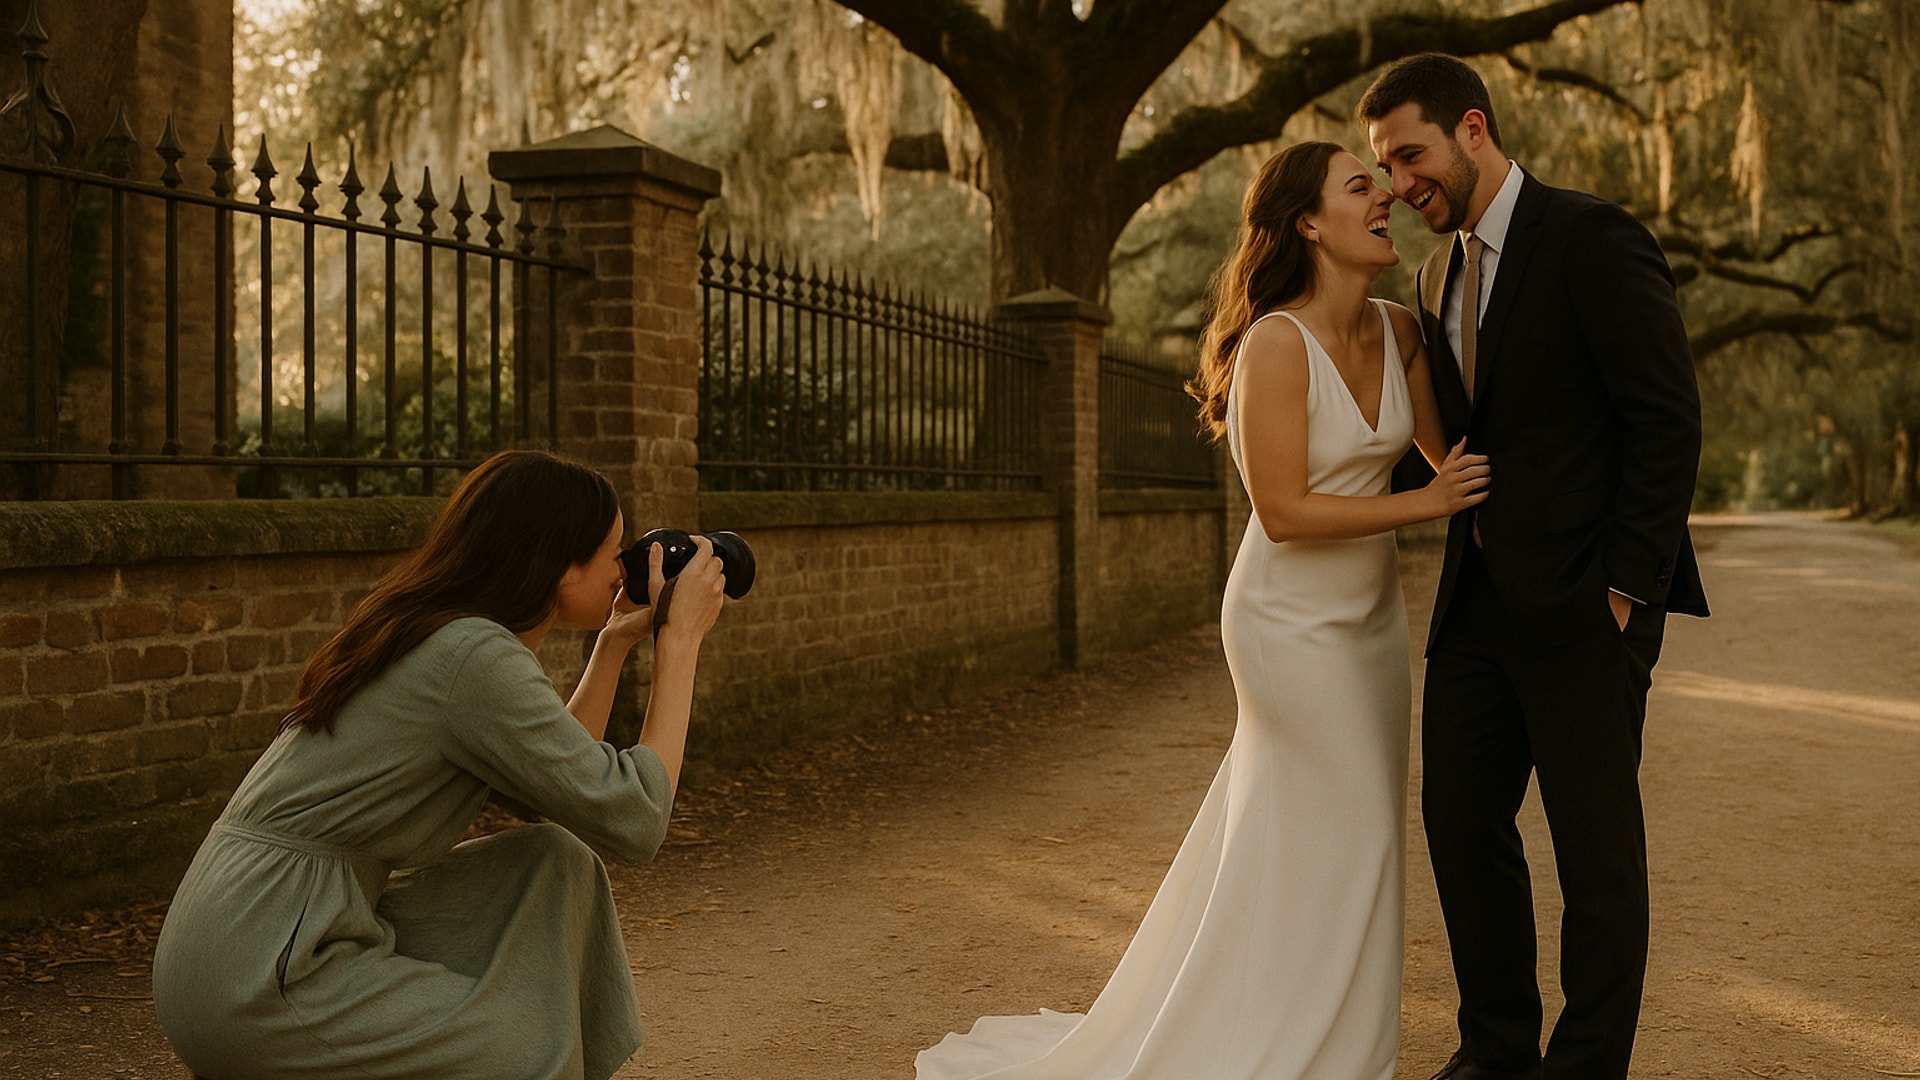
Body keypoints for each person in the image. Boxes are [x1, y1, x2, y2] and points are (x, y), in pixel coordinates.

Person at [915, 141, 1490, 1080]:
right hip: (1285, 625)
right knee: (1352, 833)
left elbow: (1447, 453)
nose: (1385, 195)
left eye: (1382, 183)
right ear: (1309, 222)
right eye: (1360, 185)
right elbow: (1285, 512)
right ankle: (1305, 1052)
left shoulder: (1400, 330)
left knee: (1349, 836)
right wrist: (1426, 507)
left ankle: (1336, 1040)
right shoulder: (1274, 340)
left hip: (1370, 627)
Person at [151, 450, 728, 1080]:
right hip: (263, 969)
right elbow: (636, 817)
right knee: (520, 1039)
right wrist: (681, 641)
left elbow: (564, 780)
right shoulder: (471, 656)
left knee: (552, 863)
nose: (625, 568)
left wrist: (613, 645)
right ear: (555, 561)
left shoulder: (447, 633)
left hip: (267, 925)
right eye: (613, 550)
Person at [1358, 54, 1710, 1080]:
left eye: (1410, 154)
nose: (1399, 182)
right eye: (1383, 166)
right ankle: (1497, 1054)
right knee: (1461, 824)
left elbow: (1665, 418)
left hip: (1587, 607)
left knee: (1596, 862)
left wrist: (1624, 588)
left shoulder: (1593, 237)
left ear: (1473, 130)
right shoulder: (1432, 275)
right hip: (1477, 610)